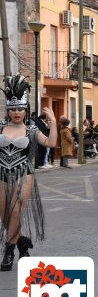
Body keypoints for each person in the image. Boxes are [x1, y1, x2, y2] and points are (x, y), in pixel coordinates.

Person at [0, 75, 57, 271]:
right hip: (1, 175)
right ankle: (22, 242)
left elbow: (50, 143)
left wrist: (53, 123)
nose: (17, 112)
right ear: (8, 110)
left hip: (24, 173)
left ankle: (9, 251)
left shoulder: (31, 129)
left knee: (16, 211)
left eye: (20, 109)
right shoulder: (0, 128)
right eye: (13, 109)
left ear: (26, 110)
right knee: (5, 216)